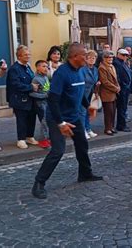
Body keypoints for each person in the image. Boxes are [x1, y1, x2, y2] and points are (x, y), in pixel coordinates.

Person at [32, 43, 102, 199]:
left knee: (82, 144)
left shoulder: (81, 71)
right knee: (58, 151)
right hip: (58, 118)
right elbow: (53, 100)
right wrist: (61, 123)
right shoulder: (61, 73)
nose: (87, 58)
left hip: (75, 116)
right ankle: (39, 183)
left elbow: (80, 92)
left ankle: (85, 173)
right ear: (74, 56)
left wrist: (88, 106)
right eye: (84, 55)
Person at [6, 45, 38, 149]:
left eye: (29, 54)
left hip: (30, 97)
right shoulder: (14, 69)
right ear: (19, 56)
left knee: (31, 117)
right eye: (25, 55)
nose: (28, 56)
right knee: (22, 119)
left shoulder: (28, 67)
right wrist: (30, 87)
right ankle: (21, 139)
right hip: (19, 99)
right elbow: (15, 84)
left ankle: (29, 136)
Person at [29, 60, 51, 149]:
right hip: (40, 104)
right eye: (43, 66)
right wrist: (45, 95)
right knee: (44, 122)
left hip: (47, 103)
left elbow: (47, 88)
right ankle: (43, 140)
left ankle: (48, 138)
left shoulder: (46, 77)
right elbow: (32, 93)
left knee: (48, 121)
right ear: (38, 68)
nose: (46, 68)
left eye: (47, 66)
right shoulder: (36, 79)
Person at [98, 50, 120, 136]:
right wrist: (115, 88)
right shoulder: (102, 67)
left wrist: (118, 87)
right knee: (108, 112)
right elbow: (105, 82)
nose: (110, 59)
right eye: (108, 57)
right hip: (107, 93)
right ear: (104, 58)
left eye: (111, 57)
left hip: (113, 93)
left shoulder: (112, 66)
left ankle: (111, 127)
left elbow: (115, 79)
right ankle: (107, 128)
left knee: (113, 111)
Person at [113, 48, 132, 132]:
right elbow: (118, 77)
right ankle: (121, 125)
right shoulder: (117, 63)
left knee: (124, 107)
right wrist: (122, 85)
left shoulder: (123, 63)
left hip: (126, 88)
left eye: (126, 55)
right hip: (122, 89)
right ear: (118, 54)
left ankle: (121, 124)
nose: (125, 56)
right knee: (122, 108)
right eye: (123, 55)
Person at [81, 49, 100, 139]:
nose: (92, 59)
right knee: (82, 112)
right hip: (82, 93)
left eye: (94, 58)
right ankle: (83, 130)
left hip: (90, 93)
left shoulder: (95, 69)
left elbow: (94, 81)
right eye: (89, 58)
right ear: (86, 58)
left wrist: (96, 88)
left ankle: (88, 129)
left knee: (88, 112)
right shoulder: (83, 69)